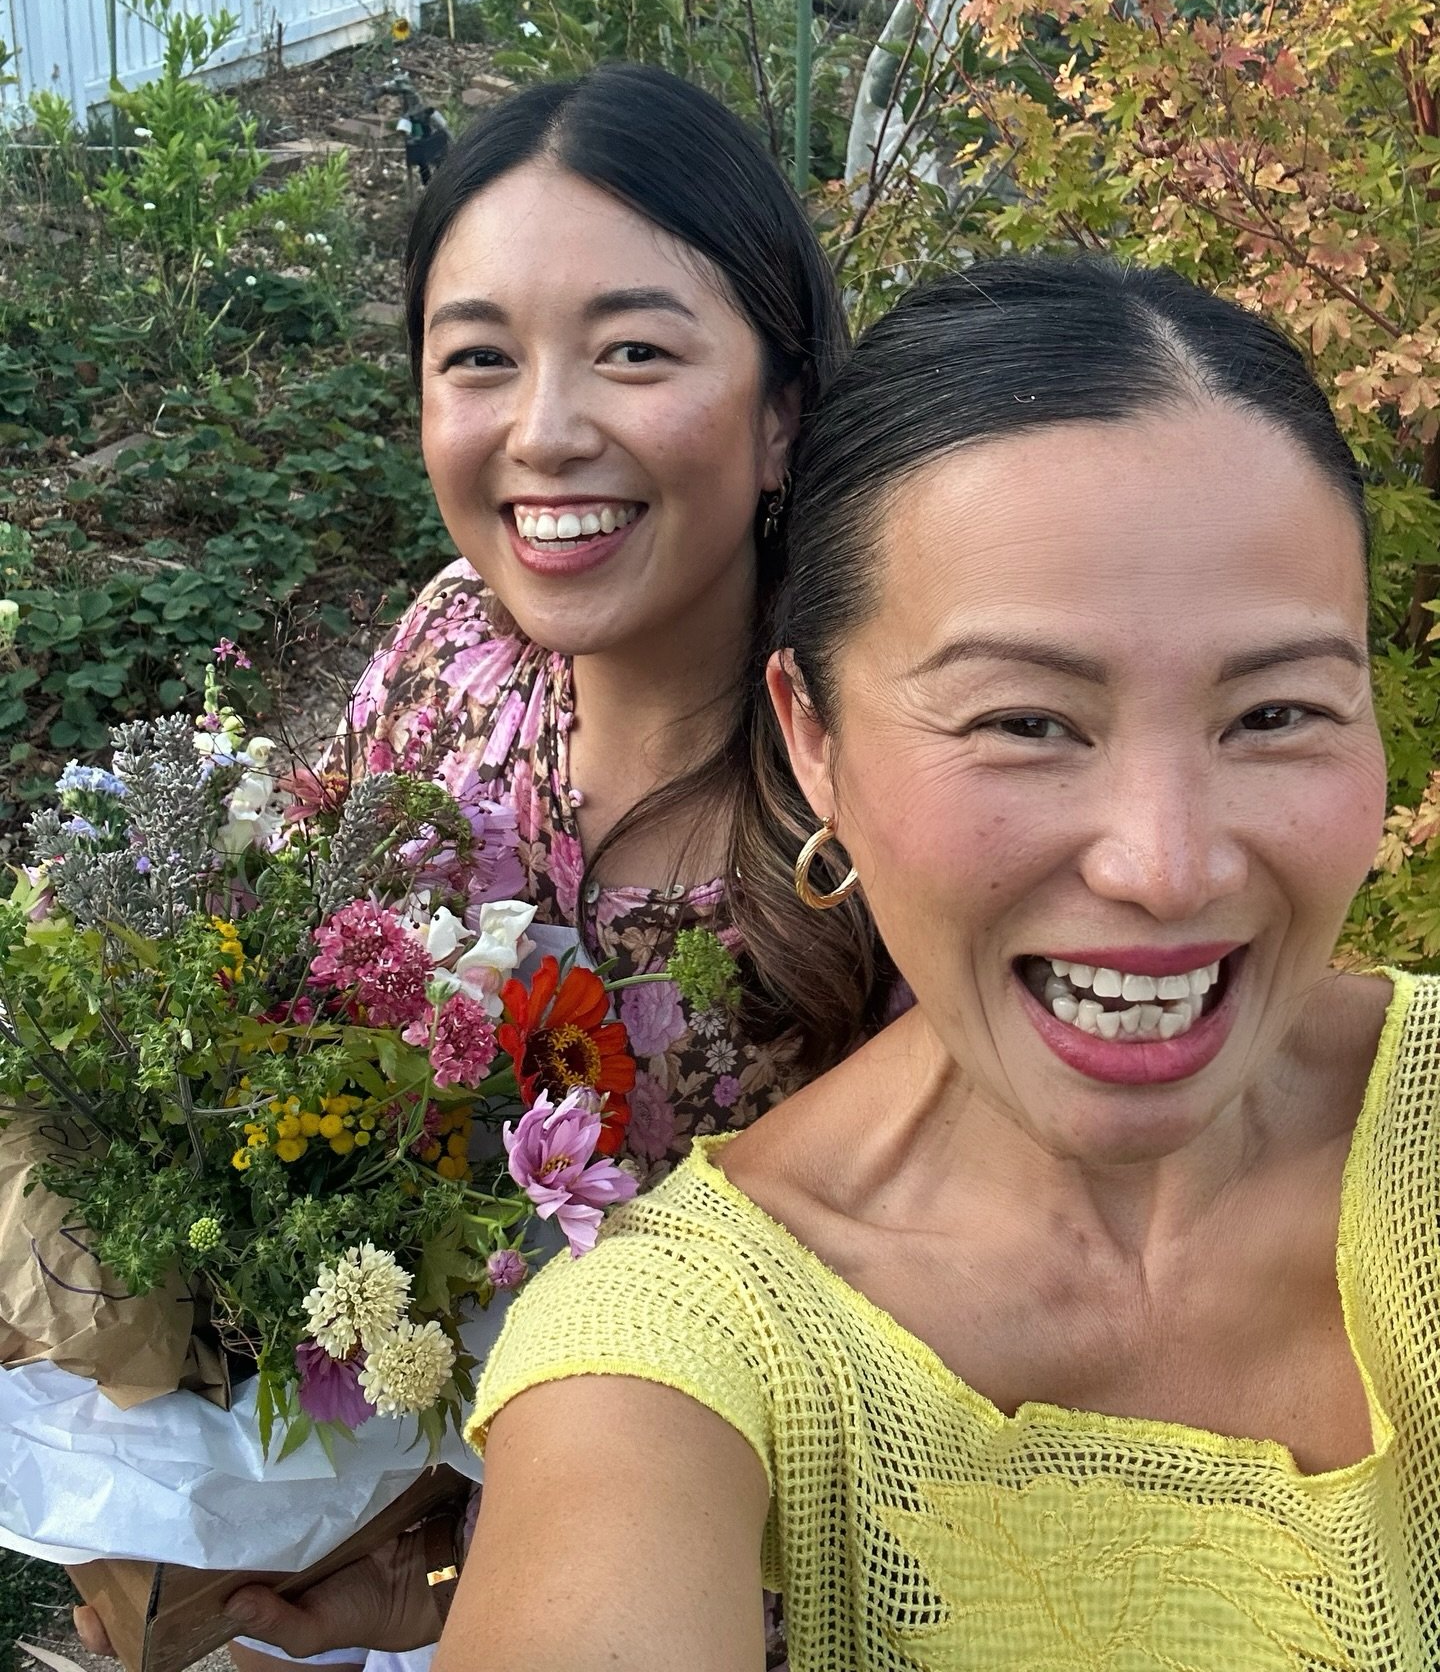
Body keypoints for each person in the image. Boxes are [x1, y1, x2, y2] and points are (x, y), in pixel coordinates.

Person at [452, 255, 1440, 1668]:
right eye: (1025, 723)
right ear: (814, 736)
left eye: (1277, 712)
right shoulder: (673, 1352)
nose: (1166, 866)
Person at [69, 63, 891, 1672]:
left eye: (635, 351)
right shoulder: (452, 653)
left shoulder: (868, 808)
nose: (547, 431)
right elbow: (307, 1023)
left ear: (785, 408)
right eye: (478, 361)